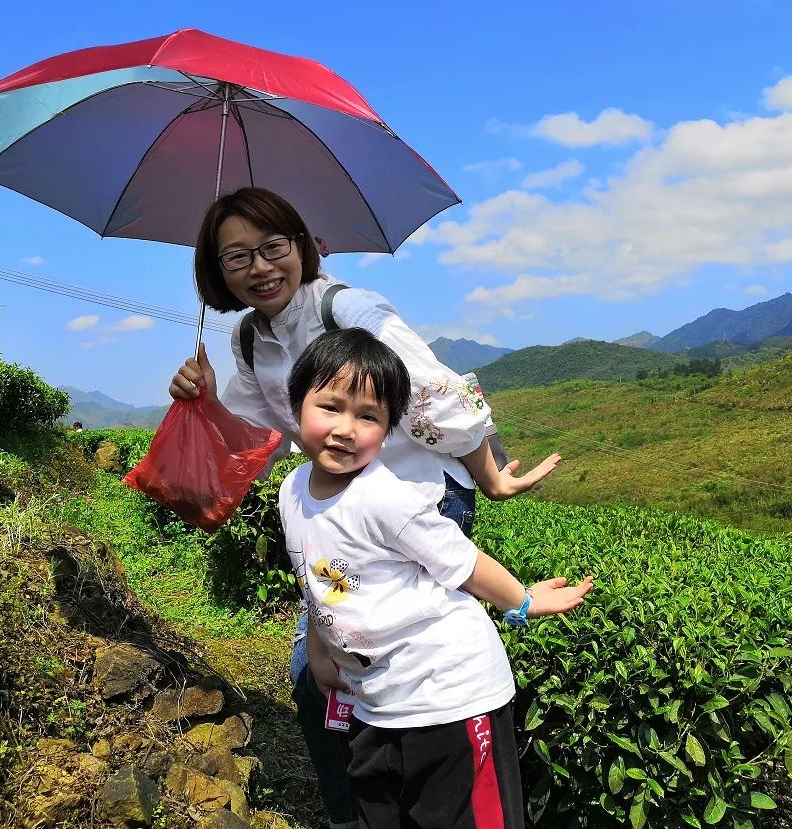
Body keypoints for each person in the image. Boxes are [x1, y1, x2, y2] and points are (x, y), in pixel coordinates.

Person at [167, 187, 562, 828]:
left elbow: (438, 396)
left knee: (397, 651)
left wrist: (488, 473)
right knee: (323, 665)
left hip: (413, 495)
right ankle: (363, 807)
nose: (260, 268)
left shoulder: (351, 309)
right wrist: (202, 402)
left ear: (303, 247)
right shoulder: (250, 338)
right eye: (237, 256)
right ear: (216, 271)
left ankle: (432, 784)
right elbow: (256, 438)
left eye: (273, 247)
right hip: (338, 504)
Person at [280, 327, 595, 828]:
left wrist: (523, 601)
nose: (346, 428)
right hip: (375, 701)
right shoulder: (292, 489)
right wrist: (320, 652)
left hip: (449, 696)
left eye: (369, 416)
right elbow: (318, 577)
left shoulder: (386, 498)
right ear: (296, 406)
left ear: (387, 432)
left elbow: (463, 562)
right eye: (331, 407)